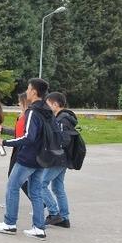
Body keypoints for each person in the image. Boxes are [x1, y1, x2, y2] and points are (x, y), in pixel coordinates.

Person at [0, 78, 53, 240]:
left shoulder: (32, 111)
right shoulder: (47, 110)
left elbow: (28, 137)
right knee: (36, 191)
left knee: (12, 186)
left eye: (28, 88)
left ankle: (10, 223)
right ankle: (39, 228)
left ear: (33, 91)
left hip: (29, 157)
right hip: (42, 157)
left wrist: (3, 141)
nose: (27, 91)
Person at [40, 92, 73, 229]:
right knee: (57, 187)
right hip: (62, 159)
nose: (46, 107)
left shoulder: (61, 120)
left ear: (55, 104)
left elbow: (64, 140)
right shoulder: (63, 117)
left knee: (41, 184)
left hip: (57, 158)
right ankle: (64, 219)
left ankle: (54, 213)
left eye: (48, 104)